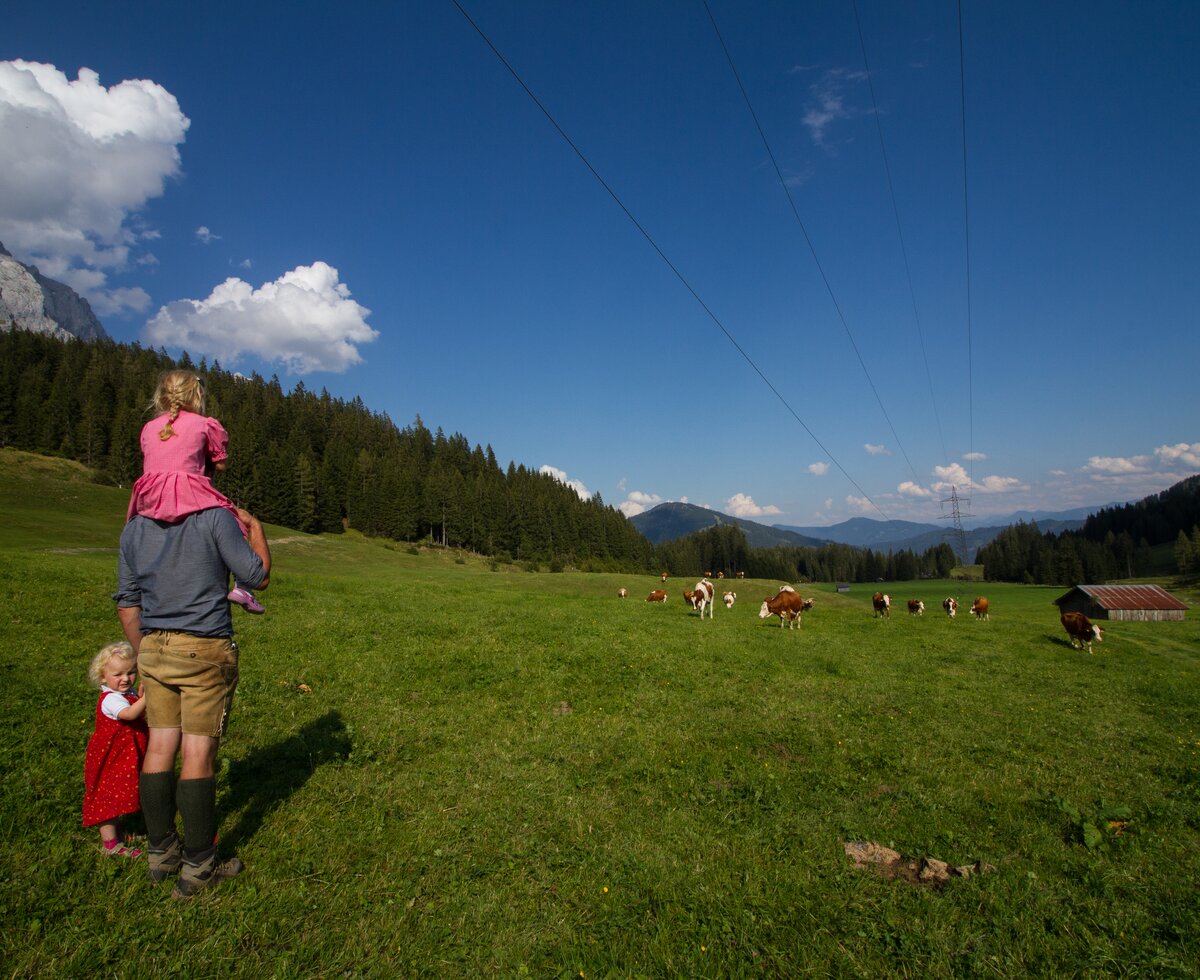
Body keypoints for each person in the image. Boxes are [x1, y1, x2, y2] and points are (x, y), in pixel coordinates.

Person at [115, 494, 270, 900]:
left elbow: (128, 605)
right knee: (198, 754)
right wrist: (258, 532)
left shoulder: (135, 526)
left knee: (161, 745)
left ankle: (160, 853)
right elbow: (256, 576)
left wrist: (144, 658)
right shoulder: (215, 518)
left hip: (152, 649)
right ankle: (200, 865)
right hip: (204, 650)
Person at [126, 369, 264, 614]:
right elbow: (220, 464)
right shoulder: (205, 425)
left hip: (151, 497)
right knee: (232, 520)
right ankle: (243, 586)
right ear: (196, 395)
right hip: (189, 490)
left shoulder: (149, 428)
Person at [83, 641, 149, 858]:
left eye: (131, 672)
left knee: (119, 794)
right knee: (107, 798)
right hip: (110, 758)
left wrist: (139, 697)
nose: (126, 678)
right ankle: (110, 844)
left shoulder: (126, 692)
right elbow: (129, 714)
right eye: (118, 674)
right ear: (103, 676)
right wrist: (147, 699)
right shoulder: (110, 699)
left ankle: (119, 834)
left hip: (123, 757)